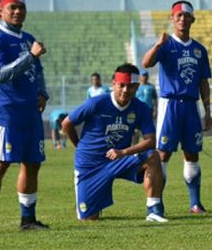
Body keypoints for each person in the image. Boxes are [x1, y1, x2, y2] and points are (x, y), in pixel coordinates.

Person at [0, 0, 50, 236]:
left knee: (32, 164)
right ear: (1, 11)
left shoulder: (28, 38)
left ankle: (28, 219)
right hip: (7, 112)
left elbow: (37, 71)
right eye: (12, 8)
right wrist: (30, 56)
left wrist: (42, 92)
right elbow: (0, 74)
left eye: (21, 7)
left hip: (30, 112)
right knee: (0, 164)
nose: (18, 11)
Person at [61, 64, 167, 223]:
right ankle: (91, 199)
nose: (125, 90)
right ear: (113, 84)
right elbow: (66, 123)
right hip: (90, 164)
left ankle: (154, 210)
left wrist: (123, 152)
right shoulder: (96, 103)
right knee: (89, 218)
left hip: (119, 159)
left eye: (131, 86)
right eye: (121, 85)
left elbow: (151, 141)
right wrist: (79, 146)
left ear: (137, 86)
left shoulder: (141, 108)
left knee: (153, 157)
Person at [141, 0, 212, 214]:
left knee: (192, 154)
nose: (182, 19)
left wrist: (208, 111)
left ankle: (195, 203)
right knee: (163, 154)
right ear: (172, 19)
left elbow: (203, 82)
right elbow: (146, 64)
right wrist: (157, 45)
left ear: (192, 20)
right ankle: (156, 203)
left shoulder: (199, 50)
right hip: (169, 105)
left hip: (191, 106)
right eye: (178, 16)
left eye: (186, 16)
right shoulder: (166, 45)